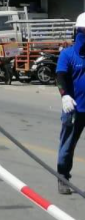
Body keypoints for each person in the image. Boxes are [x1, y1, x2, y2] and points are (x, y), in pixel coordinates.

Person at [56, 12, 85, 195]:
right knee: (67, 145)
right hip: (74, 109)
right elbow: (60, 77)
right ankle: (63, 178)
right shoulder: (67, 55)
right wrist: (64, 95)